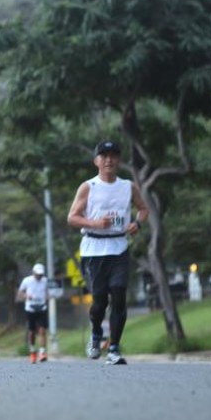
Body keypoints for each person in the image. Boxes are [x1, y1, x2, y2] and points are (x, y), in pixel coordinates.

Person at [67, 140, 148, 366]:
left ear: (119, 160)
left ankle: (113, 348)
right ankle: (95, 334)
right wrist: (94, 222)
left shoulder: (128, 187)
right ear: (96, 161)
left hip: (119, 246)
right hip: (93, 249)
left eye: (113, 155)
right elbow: (72, 217)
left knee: (119, 295)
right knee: (99, 301)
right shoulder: (88, 187)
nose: (109, 160)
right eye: (104, 156)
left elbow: (143, 209)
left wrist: (137, 224)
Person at [17, 263, 50, 363]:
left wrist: (47, 297)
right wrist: (27, 296)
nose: (39, 276)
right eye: (38, 274)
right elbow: (20, 293)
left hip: (42, 308)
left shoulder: (45, 281)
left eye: (41, 274)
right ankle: (32, 351)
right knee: (31, 332)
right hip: (30, 308)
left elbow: (48, 292)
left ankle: (42, 352)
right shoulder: (27, 280)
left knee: (42, 330)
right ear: (34, 273)